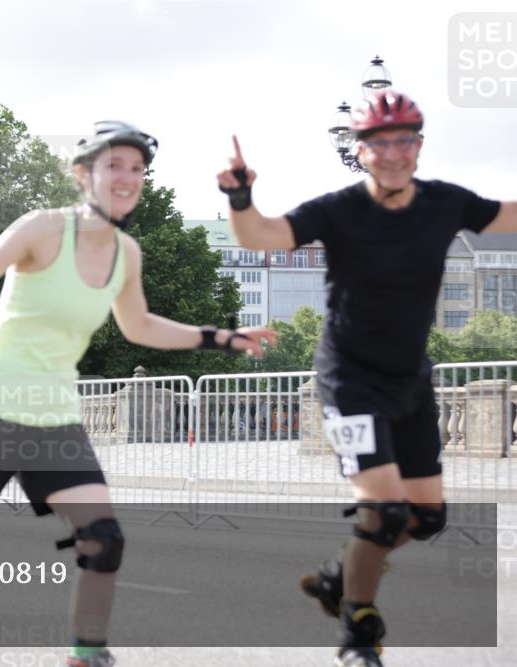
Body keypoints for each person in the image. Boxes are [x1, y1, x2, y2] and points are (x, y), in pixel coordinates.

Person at [0, 121, 277, 667]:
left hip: (53, 418)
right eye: (114, 166)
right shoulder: (43, 229)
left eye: (137, 169)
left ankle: (85, 655)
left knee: (103, 539)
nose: (128, 178)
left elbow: (140, 326)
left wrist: (222, 338)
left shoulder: (128, 253)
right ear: (84, 175)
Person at [216, 89, 516, 667]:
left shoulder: (447, 203)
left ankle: (339, 577)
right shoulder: (337, 209)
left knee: (427, 517)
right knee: (387, 513)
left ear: (419, 146)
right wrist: (239, 196)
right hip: (349, 380)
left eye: (404, 140)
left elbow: (508, 213)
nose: (393, 153)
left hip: (409, 380)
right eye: (379, 144)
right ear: (361, 152)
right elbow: (260, 236)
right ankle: (357, 634)